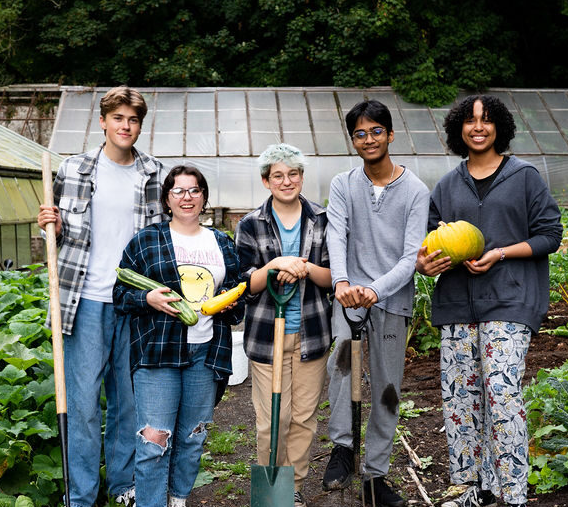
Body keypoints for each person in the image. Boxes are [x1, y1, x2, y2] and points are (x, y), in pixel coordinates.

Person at [417, 94, 562, 507]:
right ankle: (475, 491)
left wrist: (499, 253)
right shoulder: (447, 185)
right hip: (457, 304)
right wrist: (426, 264)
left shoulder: (524, 177)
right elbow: (429, 244)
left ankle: (513, 495)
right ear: (458, 129)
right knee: (462, 399)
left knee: (501, 393)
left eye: (486, 120)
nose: (477, 127)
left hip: (509, 299)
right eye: (469, 120)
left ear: (499, 126)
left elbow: (550, 235)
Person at [37, 85, 163, 507]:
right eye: (118, 118)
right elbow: (57, 239)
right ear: (103, 122)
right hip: (84, 301)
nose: (126, 126)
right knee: (85, 404)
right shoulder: (73, 169)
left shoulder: (154, 173)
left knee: (128, 403)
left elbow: (161, 240)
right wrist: (51, 226)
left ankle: (123, 488)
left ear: (140, 126)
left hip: (135, 302)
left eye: (133, 120)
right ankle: (82, 496)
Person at [114, 165, 243, 507]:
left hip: (207, 352)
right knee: (154, 440)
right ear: (167, 199)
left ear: (204, 197)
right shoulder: (147, 240)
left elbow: (237, 296)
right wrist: (148, 298)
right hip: (158, 353)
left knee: (192, 438)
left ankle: (178, 500)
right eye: (178, 191)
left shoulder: (222, 242)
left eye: (194, 190)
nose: (187, 197)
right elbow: (120, 295)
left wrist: (229, 303)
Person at [322, 100, 430, 507]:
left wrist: (376, 289)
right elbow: (336, 234)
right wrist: (342, 281)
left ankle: (375, 475)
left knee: (387, 387)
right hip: (349, 296)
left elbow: (410, 256)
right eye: (360, 134)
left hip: (392, 299)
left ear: (390, 135)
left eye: (376, 131)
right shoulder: (343, 184)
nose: (369, 139)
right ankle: (342, 449)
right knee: (341, 365)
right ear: (353, 140)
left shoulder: (416, 190)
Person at [235, 144, 333, 507]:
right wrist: (275, 265)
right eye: (278, 175)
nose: (286, 181)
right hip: (267, 337)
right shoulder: (250, 224)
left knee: (303, 418)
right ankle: (271, 492)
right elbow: (245, 285)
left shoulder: (322, 219)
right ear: (266, 181)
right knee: (273, 418)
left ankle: (292, 490)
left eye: (293, 174)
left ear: (302, 177)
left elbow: (334, 277)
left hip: (312, 335)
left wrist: (304, 267)